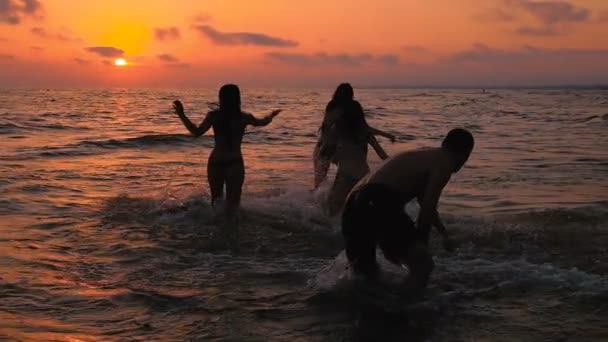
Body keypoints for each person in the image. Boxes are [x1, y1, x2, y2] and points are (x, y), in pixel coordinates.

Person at [341, 128, 474, 290]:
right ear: (466, 153)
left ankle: (373, 308)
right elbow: (427, 208)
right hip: (378, 198)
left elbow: (425, 204)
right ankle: (408, 308)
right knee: (423, 265)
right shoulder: (445, 163)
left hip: (353, 202)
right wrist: (423, 246)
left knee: (366, 274)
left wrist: (443, 234)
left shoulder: (425, 157)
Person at [173, 84, 281, 216]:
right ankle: (231, 233)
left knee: (216, 203)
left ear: (221, 98)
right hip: (234, 162)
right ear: (237, 99)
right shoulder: (243, 117)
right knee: (234, 207)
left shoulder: (214, 115)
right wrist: (271, 115)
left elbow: (196, 132)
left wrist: (182, 115)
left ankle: (216, 232)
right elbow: (262, 122)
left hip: (215, 162)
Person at [312, 83, 396, 216]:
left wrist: (327, 155)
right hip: (365, 177)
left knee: (331, 210)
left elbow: (326, 148)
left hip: (346, 176)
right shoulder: (365, 132)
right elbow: (383, 156)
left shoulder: (338, 130)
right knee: (359, 210)